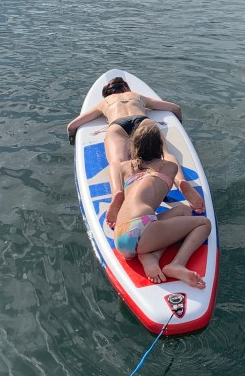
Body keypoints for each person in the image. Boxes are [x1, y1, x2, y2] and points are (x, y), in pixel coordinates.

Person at [67, 76, 205, 227]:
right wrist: (179, 125)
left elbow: (72, 126)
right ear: (125, 88)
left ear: (108, 94)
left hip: (118, 125)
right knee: (164, 154)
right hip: (142, 121)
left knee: (117, 162)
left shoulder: (105, 102)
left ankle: (117, 193)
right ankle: (181, 182)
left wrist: (73, 139)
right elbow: (175, 108)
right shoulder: (137, 96)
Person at [113, 120, 210, 287]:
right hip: (142, 228)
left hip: (120, 236)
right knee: (204, 223)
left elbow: (116, 171)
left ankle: (150, 256)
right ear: (159, 145)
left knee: (183, 211)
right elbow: (168, 157)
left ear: (134, 146)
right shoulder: (169, 166)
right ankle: (176, 264)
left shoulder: (124, 168)